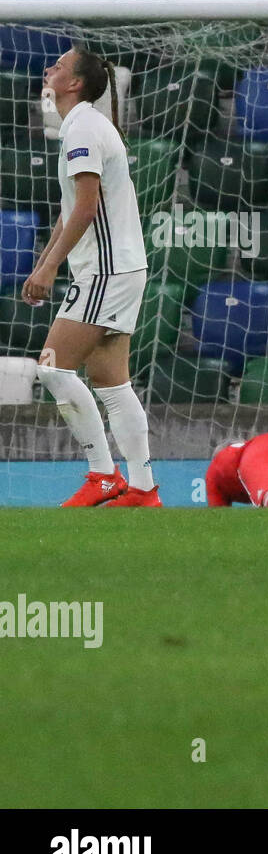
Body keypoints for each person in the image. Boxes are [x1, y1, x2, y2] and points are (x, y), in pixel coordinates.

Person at [21, 46, 160, 508]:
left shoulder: (82, 126)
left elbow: (87, 205)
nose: (49, 68)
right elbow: (73, 207)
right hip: (119, 266)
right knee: (111, 381)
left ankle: (102, 475)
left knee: (53, 367)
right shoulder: (83, 124)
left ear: (76, 83)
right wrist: (45, 261)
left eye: (58, 65)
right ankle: (142, 488)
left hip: (106, 269)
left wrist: (52, 266)